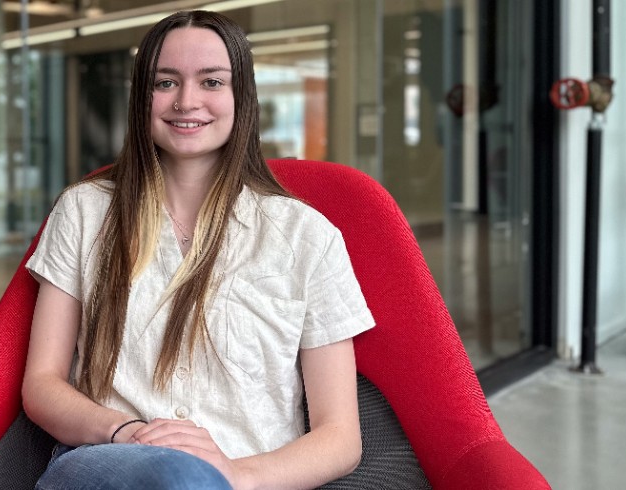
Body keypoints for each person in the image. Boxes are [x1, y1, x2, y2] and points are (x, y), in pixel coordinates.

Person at [22, 10, 375, 490]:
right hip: (112, 464)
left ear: (241, 96)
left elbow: (340, 438)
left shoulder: (307, 236)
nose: (186, 101)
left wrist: (236, 474)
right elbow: (41, 385)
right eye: (165, 82)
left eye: (211, 81)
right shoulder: (84, 211)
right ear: (142, 97)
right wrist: (126, 432)